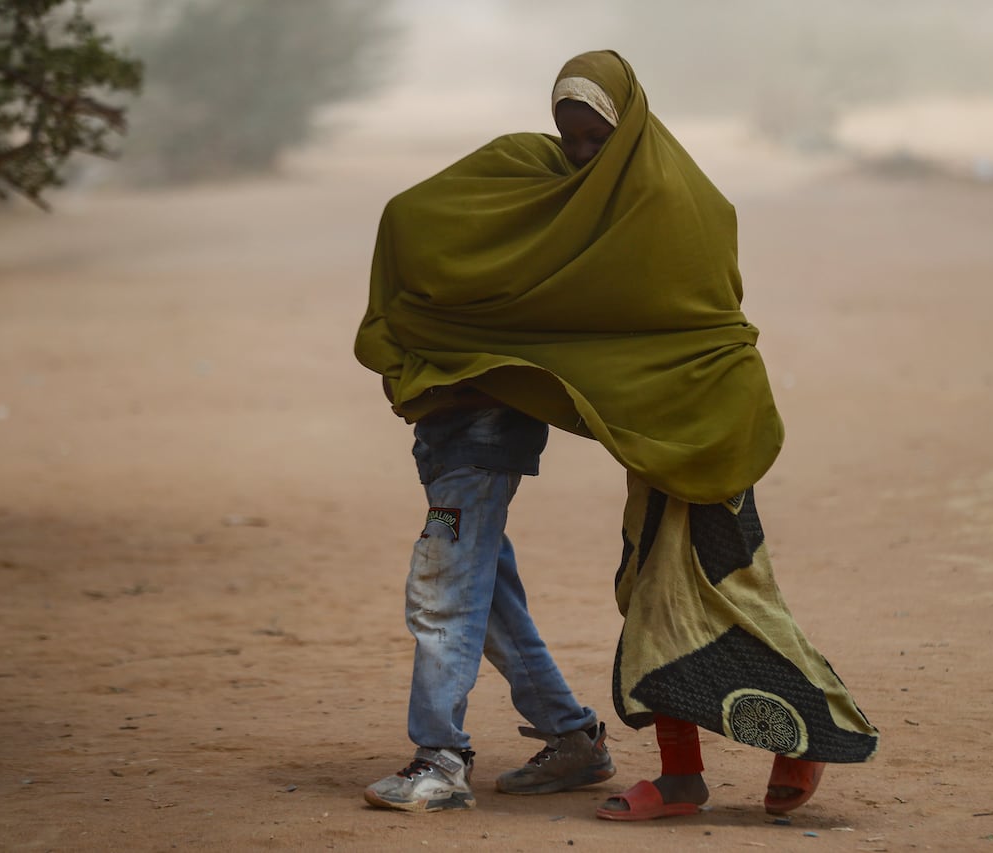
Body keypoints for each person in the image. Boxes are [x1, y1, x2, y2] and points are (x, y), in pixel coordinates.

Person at [355, 49, 878, 820]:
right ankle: (638, 761)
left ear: (627, 122)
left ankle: (807, 732)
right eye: (570, 138)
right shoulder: (548, 186)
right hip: (648, 440)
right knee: (648, 597)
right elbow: (557, 312)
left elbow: (684, 323)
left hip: (707, 424)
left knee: (725, 595)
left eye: (595, 138)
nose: (580, 155)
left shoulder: (668, 200)